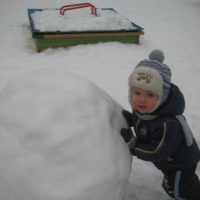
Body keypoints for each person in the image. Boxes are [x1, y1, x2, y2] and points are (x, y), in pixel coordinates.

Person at [120, 49, 200, 200]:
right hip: (170, 161)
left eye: (150, 94)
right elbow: (145, 125)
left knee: (177, 191)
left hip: (179, 164)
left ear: (162, 98)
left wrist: (133, 144)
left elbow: (155, 152)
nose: (141, 100)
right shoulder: (148, 110)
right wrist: (132, 119)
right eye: (137, 93)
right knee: (187, 184)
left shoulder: (167, 125)